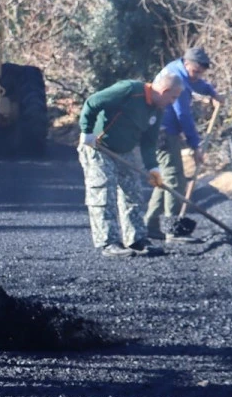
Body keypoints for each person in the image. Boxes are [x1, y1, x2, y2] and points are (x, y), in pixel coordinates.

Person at [77, 70, 184, 258]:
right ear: (165, 90)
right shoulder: (129, 90)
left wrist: (153, 168)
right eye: (173, 97)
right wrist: (87, 131)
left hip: (125, 151)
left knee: (133, 193)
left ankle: (137, 239)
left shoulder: (157, 109)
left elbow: (149, 143)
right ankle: (109, 242)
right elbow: (93, 102)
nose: (173, 102)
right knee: (104, 193)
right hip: (99, 147)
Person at [144, 46, 224, 242]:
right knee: (174, 180)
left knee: (166, 178)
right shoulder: (176, 78)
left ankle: (150, 224)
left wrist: (212, 93)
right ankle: (172, 230)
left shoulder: (180, 71)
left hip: (159, 129)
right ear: (186, 63)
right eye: (195, 71)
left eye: (200, 73)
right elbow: (183, 116)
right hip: (162, 132)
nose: (197, 76)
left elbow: (197, 84)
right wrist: (195, 146)